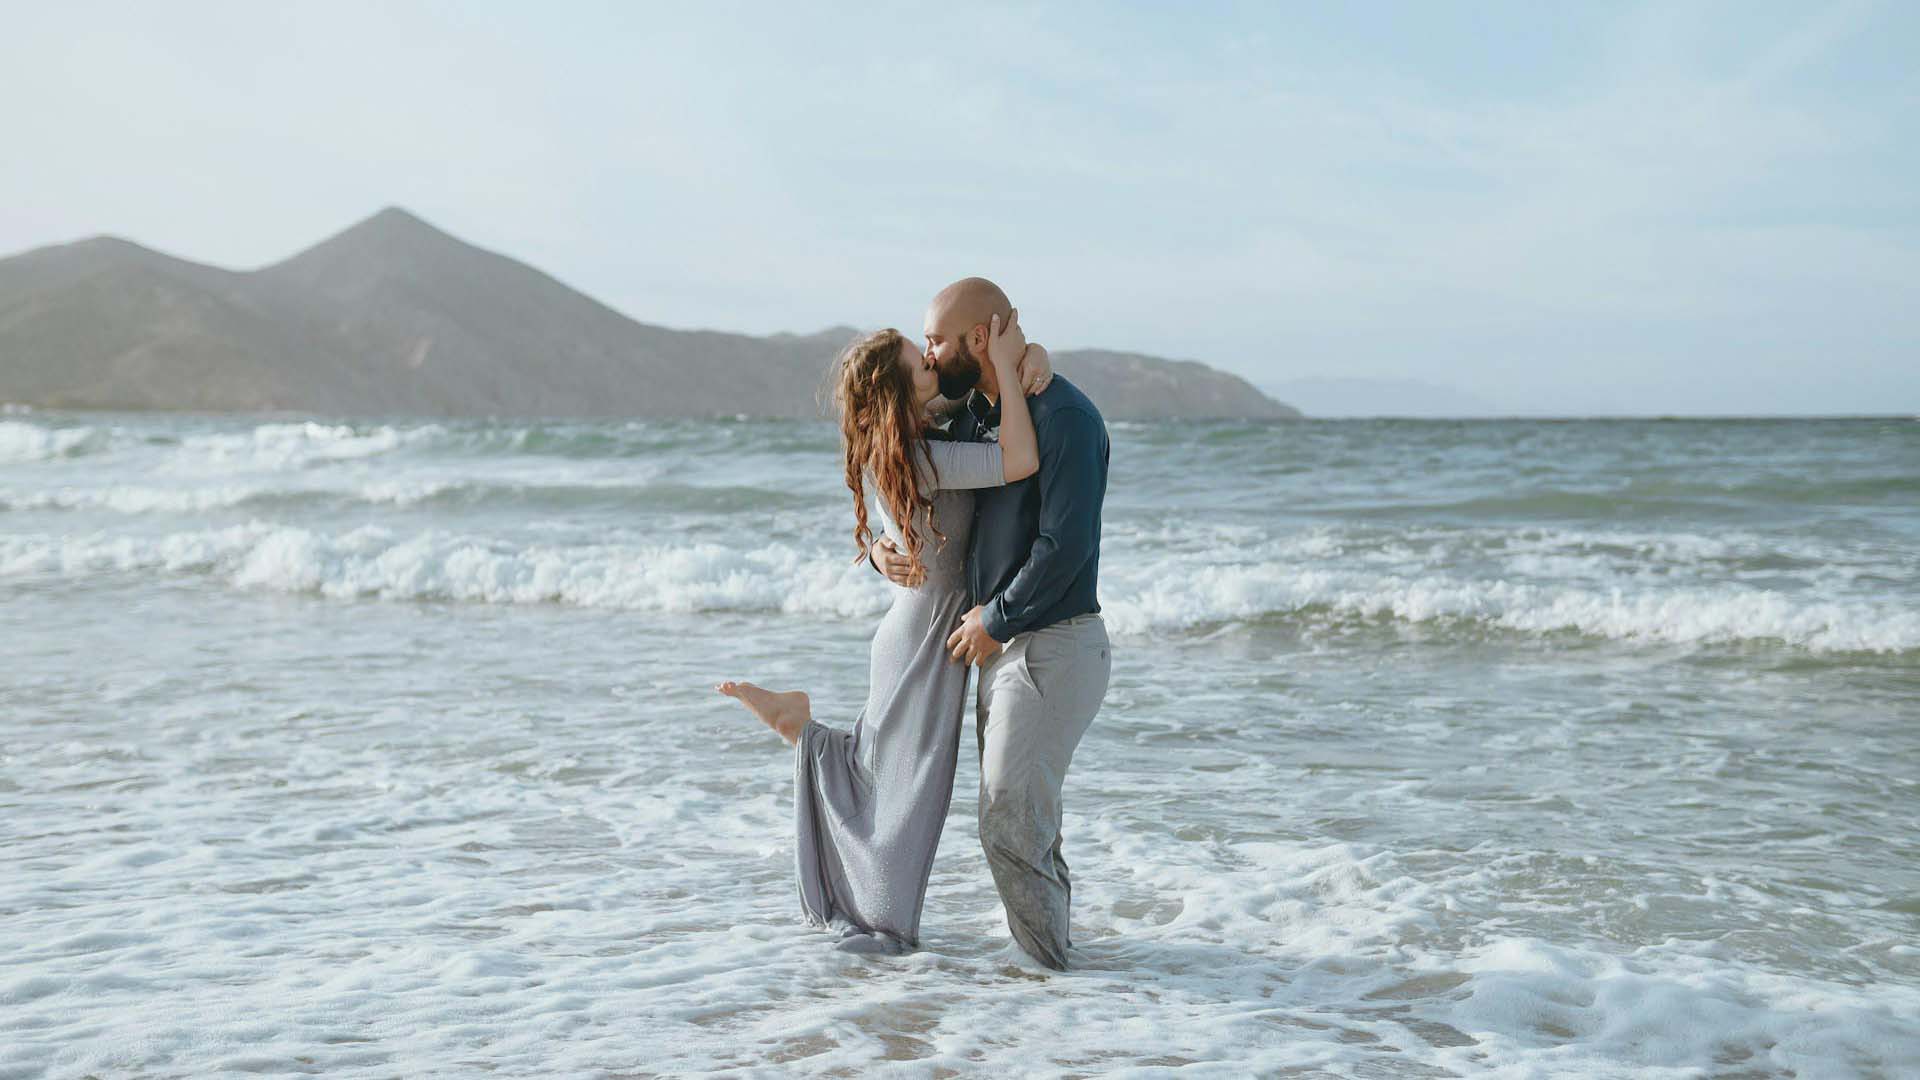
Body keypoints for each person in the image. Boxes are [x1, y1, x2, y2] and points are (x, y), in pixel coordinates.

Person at [715, 310, 1050, 954]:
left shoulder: (906, 445)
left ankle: (803, 732)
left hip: (915, 630)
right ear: (899, 393)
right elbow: (1021, 458)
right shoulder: (923, 457)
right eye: (918, 363)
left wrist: (1031, 359)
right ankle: (880, 920)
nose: (932, 360)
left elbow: (904, 531)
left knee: (890, 773)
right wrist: (1009, 364)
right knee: (908, 796)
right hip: (923, 636)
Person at [870, 277, 1112, 971]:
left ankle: (1049, 983)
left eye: (938, 339)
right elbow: (896, 460)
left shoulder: (1063, 416)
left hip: (1048, 644)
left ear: (980, 338)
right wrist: (880, 547)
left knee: (1007, 824)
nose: (928, 350)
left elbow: (1066, 546)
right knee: (1030, 831)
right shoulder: (976, 415)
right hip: (1002, 649)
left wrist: (998, 620)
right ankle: (1060, 983)